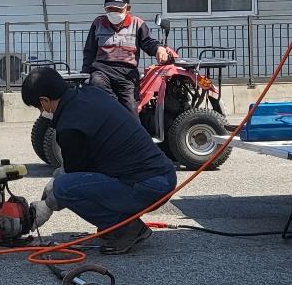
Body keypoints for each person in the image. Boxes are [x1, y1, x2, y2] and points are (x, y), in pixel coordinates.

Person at [19, 66, 176, 254]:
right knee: (62, 183)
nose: (41, 112)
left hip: (147, 185)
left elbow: (74, 179)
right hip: (161, 176)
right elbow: (81, 168)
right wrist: (55, 180)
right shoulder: (90, 94)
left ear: (44, 102)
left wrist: (47, 206)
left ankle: (126, 229)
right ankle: (120, 225)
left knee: (64, 188)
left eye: (38, 107)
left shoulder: (69, 126)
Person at [81, 0, 170, 114]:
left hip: (127, 74)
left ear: (128, 9)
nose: (113, 12)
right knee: (97, 84)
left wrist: (159, 48)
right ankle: (114, 114)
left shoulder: (137, 23)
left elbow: (148, 42)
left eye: (117, 9)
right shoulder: (98, 23)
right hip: (102, 70)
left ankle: (129, 126)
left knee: (131, 109)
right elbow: (89, 51)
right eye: (109, 9)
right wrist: (85, 74)